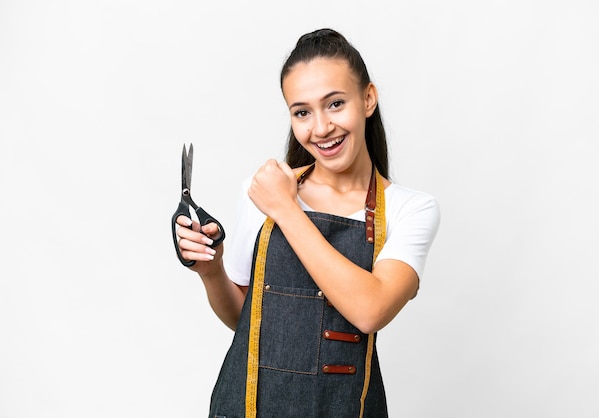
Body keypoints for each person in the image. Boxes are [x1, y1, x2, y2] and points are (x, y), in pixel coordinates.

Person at [175, 28, 440, 417]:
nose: (320, 128)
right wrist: (211, 270)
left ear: (368, 98)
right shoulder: (261, 190)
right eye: (302, 112)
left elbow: (371, 310)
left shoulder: (410, 209)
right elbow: (248, 322)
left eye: (335, 104)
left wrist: (286, 210)